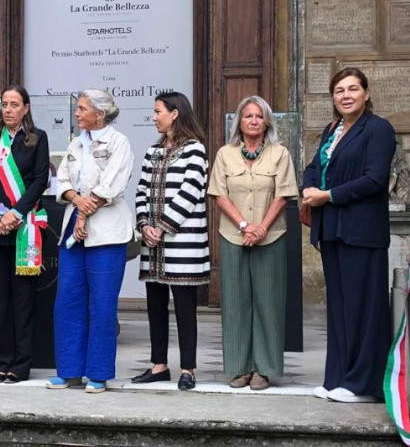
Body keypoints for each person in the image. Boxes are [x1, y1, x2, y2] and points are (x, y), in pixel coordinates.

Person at [301, 67, 396, 404]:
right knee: (340, 308)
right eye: (339, 90)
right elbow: (314, 167)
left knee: (363, 308)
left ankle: (364, 384)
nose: (345, 95)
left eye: (353, 89)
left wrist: (328, 196)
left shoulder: (378, 129)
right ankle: (338, 377)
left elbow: (374, 179)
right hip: (333, 230)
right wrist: (309, 186)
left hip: (361, 231)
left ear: (366, 94)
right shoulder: (332, 130)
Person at [46, 89, 134, 394]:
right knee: (67, 301)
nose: (77, 113)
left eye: (82, 109)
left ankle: (98, 373)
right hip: (74, 233)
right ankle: (69, 370)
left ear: (100, 113)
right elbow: (64, 179)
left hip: (107, 233)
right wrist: (76, 203)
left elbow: (111, 183)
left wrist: (85, 213)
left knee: (102, 305)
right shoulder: (75, 142)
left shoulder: (119, 143)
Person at [209, 96, 297, 391]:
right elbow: (220, 195)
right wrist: (245, 226)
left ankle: (264, 369)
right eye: (248, 116)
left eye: (259, 116)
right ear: (240, 122)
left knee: (268, 303)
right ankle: (239, 367)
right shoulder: (225, 154)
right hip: (233, 235)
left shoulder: (279, 153)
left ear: (267, 121)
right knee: (235, 302)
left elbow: (283, 194)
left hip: (270, 236)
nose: (254, 120)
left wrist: (261, 228)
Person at [132, 92, 209, 391]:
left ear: (175, 113)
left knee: (185, 309)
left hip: (182, 244)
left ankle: (188, 368)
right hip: (154, 246)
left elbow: (190, 191)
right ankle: (158, 365)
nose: (154, 117)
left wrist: (162, 226)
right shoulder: (152, 151)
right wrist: (144, 225)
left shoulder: (195, 150)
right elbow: (140, 191)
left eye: (158, 111)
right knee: (155, 306)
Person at [0, 86, 51, 383]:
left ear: (26, 108)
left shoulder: (37, 139)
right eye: (4, 104)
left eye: (14, 104)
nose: (7, 109)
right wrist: (0, 212)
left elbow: (39, 179)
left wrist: (16, 213)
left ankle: (19, 365)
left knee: (22, 300)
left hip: (24, 227)